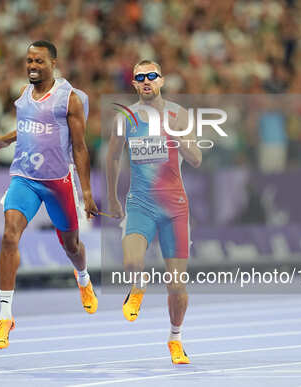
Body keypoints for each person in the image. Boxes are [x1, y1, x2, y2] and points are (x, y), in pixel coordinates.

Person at [0, 41, 99, 350]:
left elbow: (79, 147)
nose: (32, 65)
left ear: (53, 63)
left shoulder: (68, 99)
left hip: (58, 182)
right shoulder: (24, 95)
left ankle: (83, 277)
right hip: (25, 177)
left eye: (39, 61)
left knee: (72, 246)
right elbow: (29, 128)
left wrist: (86, 192)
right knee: (10, 236)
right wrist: (6, 140)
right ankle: (5, 316)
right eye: (29, 60)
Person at [106, 60, 202, 364]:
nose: (146, 81)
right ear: (134, 84)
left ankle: (175, 337)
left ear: (161, 80)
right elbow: (112, 158)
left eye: (151, 76)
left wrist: (177, 137)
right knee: (132, 260)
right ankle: (139, 285)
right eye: (140, 77)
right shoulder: (126, 116)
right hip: (140, 204)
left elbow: (197, 158)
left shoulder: (178, 114)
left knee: (177, 286)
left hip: (174, 208)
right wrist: (111, 197)